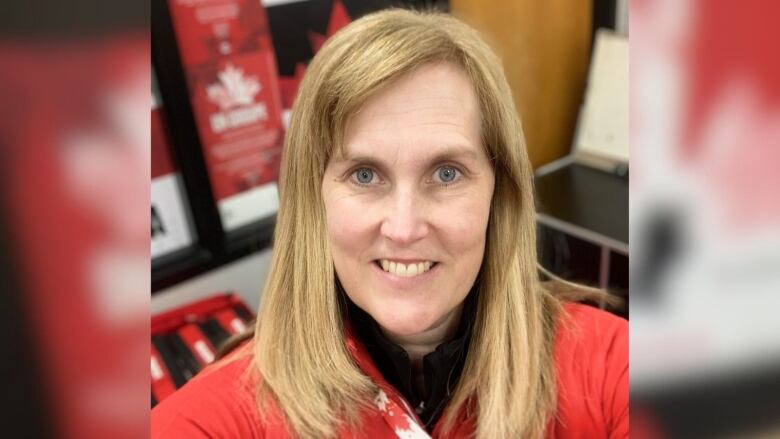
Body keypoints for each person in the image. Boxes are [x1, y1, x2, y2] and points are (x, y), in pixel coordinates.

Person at [151, 8, 628, 439]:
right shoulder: (221, 417)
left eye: (446, 173)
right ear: (312, 199)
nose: (403, 228)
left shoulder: (610, 366)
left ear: (498, 194)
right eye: (364, 174)